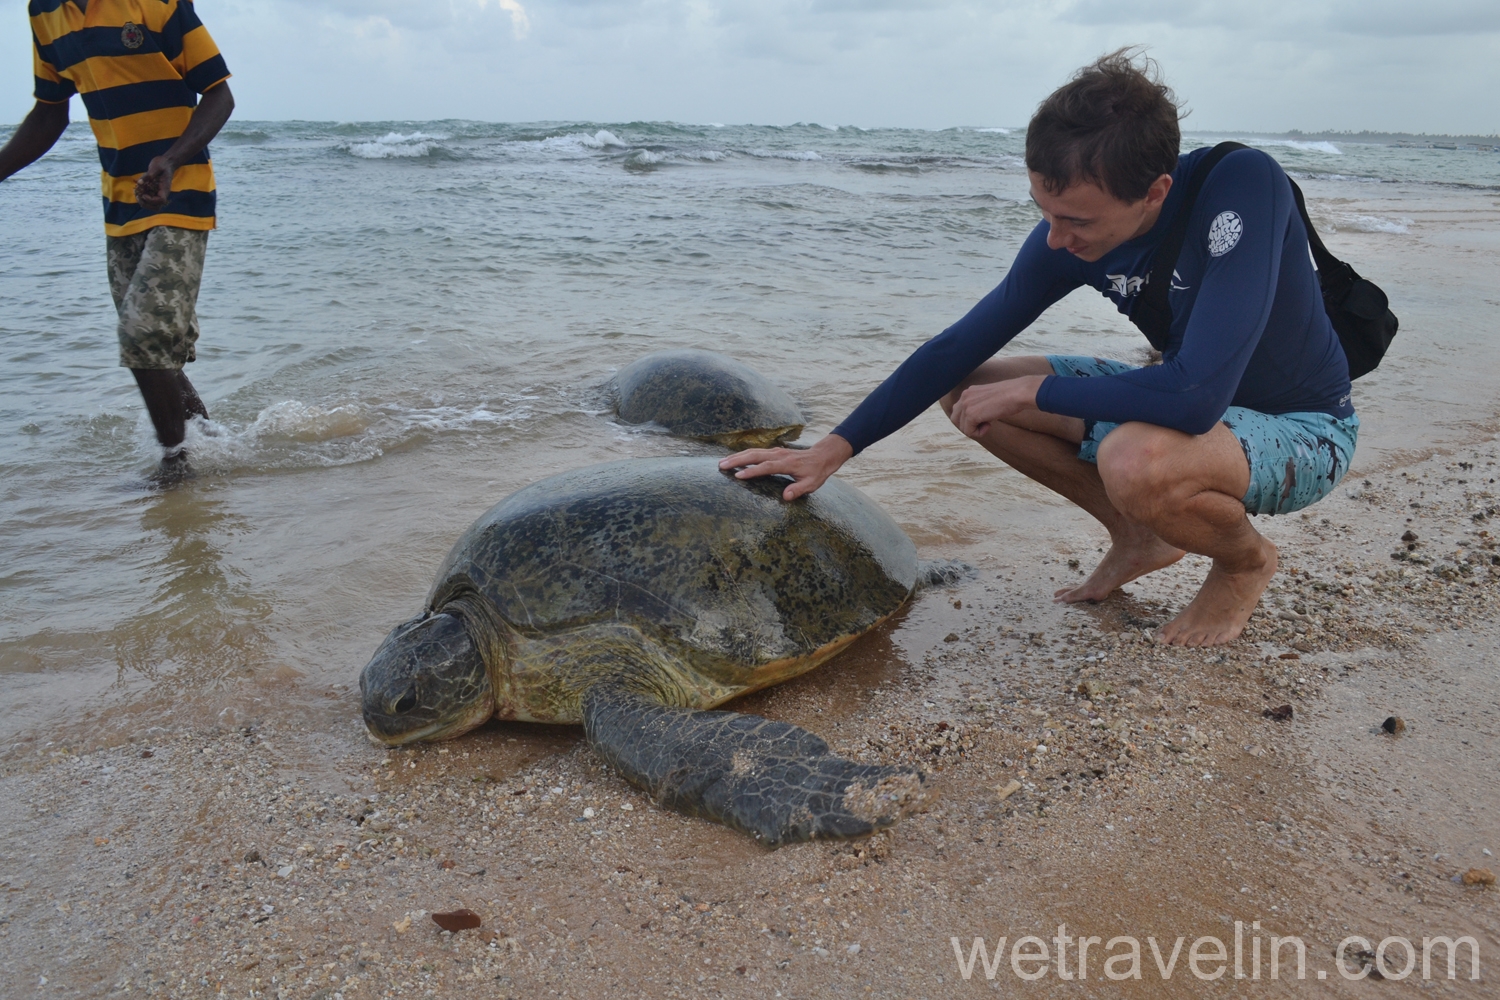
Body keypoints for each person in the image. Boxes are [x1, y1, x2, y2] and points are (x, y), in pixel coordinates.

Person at [720, 50, 1359, 648]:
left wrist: (1039, 389)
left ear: (1155, 192)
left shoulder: (1241, 184)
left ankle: (1243, 562)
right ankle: (1137, 531)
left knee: (1133, 459)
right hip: (1185, 403)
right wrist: (832, 450)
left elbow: (1195, 397)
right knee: (971, 387)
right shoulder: (1065, 237)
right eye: (1043, 212)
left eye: (1077, 220)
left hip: (1300, 428)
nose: (1055, 239)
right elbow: (954, 348)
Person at [1, 0, 234, 479]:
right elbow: (49, 114)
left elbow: (219, 95)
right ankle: (215, 446)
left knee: (141, 335)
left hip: (183, 192)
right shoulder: (44, 13)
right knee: (155, 353)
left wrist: (171, 159)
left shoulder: (155, 4)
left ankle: (176, 466)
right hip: (121, 206)